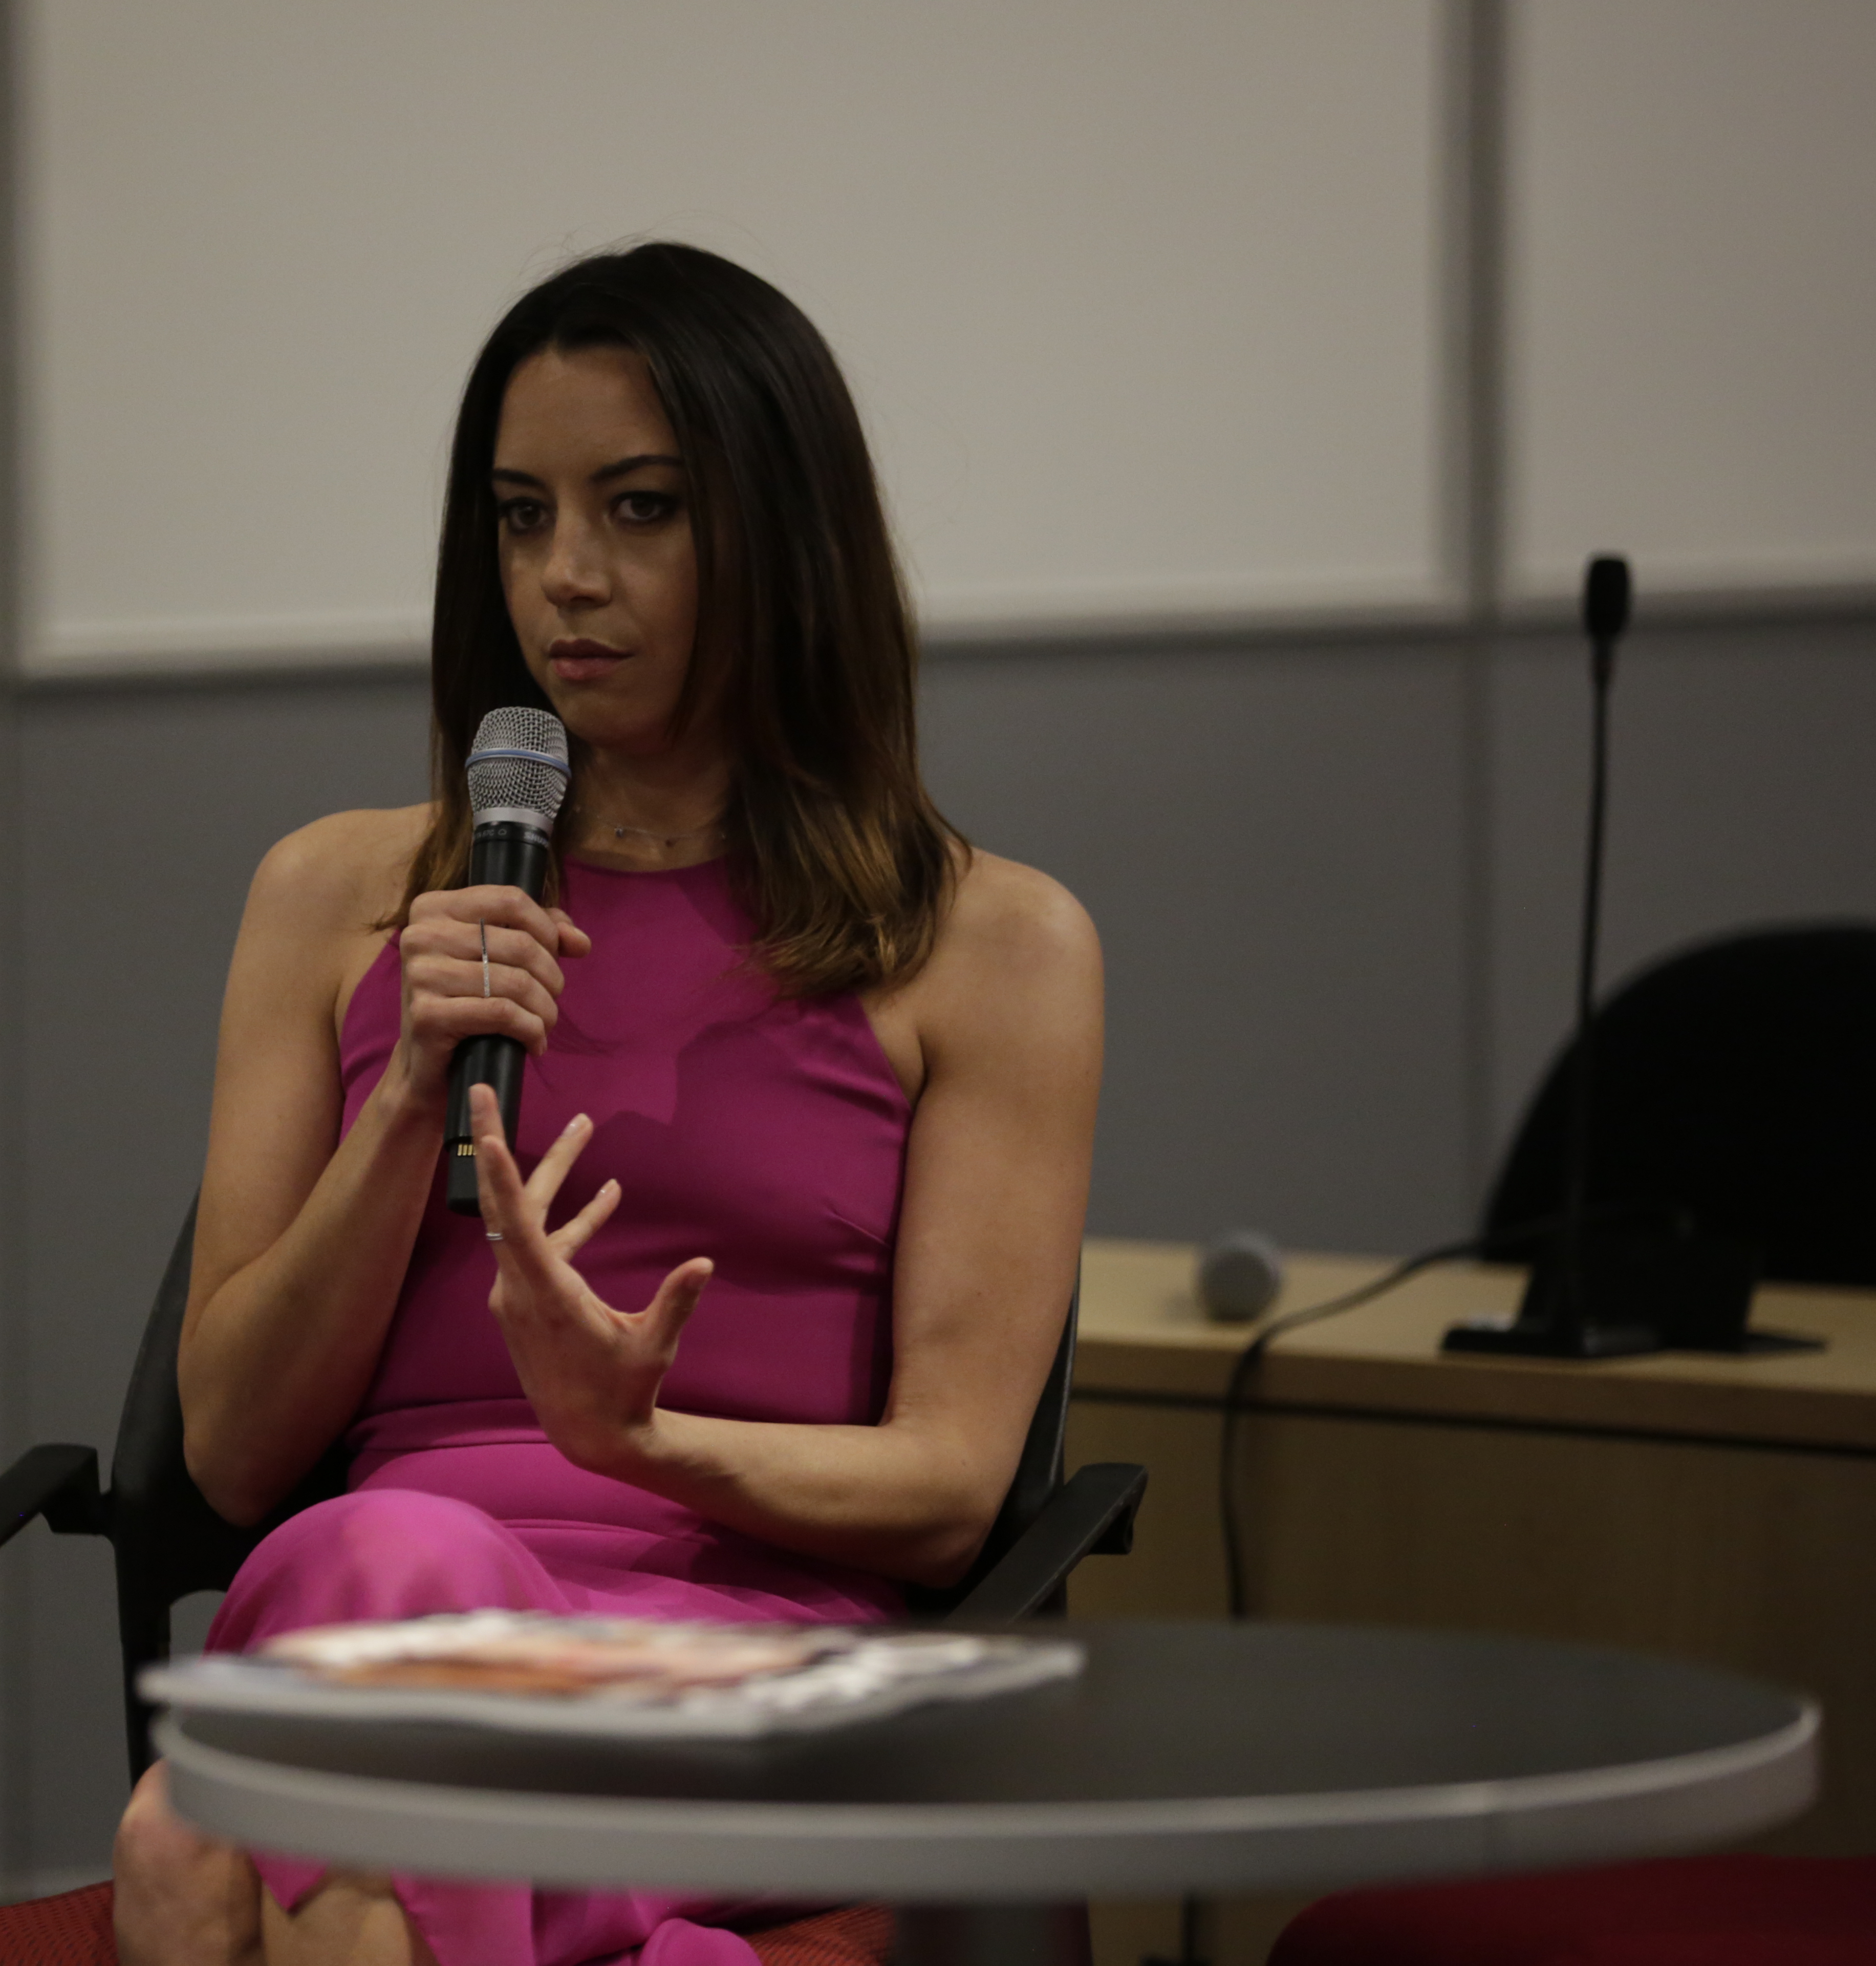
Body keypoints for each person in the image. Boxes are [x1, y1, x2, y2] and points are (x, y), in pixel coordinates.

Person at [113, 243, 1103, 1966]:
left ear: (780, 535)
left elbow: (953, 1488)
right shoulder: (337, 899)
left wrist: (638, 1443)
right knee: (398, 1565)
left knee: (196, 1862)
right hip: (376, 1612)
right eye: (521, 518)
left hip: (749, 1668)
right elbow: (232, 1450)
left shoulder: (990, 946)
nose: (564, 576)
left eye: (640, 510)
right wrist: (408, 1098)